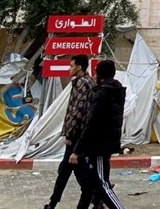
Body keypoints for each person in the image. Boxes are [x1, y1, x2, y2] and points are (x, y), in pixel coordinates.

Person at [71, 59, 126, 209]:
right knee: (88, 185)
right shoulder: (116, 91)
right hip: (105, 142)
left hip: (99, 145)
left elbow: (92, 124)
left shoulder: (102, 94)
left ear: (99, 74)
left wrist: (77, 150)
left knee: (103, 185)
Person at [44, 54, 95, 209]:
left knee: (65, 171)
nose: (69, 68)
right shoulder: (88, 81)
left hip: (77, 135)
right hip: (82, 134)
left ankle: (52, 203)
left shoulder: (81, 83)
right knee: (77, 171)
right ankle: (96, 198)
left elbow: (77, 111)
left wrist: (70, 134)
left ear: (79, 67)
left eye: (72, 66)